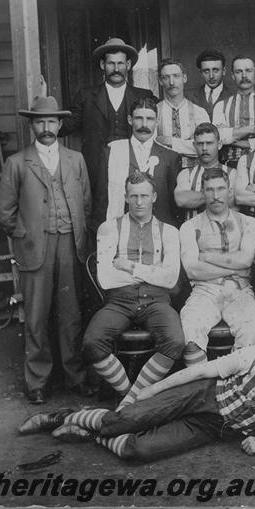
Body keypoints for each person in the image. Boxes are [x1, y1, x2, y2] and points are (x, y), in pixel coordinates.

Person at [22, 318, 255, 462]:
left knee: (136, 450)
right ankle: (63, 417)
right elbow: (200, 370)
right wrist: (155, 389)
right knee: (123, 420)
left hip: (213, 427)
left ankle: (90, 432)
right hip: (201, 393)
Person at [0, 96, 92, 404]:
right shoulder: (17, 162)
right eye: (40, 121)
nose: (46, 127)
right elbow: (5, 212)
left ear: (61, 124)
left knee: (71, 315)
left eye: (52, 121)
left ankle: (75, 376)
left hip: (70, 243)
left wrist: (74, 229)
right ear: (32, 125)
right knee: (36, 317)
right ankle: (37, 381)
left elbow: (86, 203)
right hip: (35, 246)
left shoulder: (75, 159)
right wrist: (24, 236)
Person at [83, 171, 184, 410]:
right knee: (92, 342)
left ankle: (128, 401)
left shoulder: (169, 232)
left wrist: (129, 266)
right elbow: (106, 279)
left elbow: (170, 280)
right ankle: (132, 397)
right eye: (134, 196)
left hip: (157, 300)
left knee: (175, 341)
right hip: (119, 300)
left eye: (144, 196)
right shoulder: (109, 228)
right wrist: (152, 271)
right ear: (126, 197)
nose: (139, 202)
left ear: (154, 197)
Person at [179, 168, 255, 366]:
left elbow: (246, 260)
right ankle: (203, 388)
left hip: (240, 290)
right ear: (202, 191)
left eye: (221, 189)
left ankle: (236, 389)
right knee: (189, 329)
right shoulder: (189, 226)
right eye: (209, 190)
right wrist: (235, 267)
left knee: (252, 331)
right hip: (204, 291)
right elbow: (193, 270)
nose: (216, 196)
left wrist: (207, 257)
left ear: (229, 190)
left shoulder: (248, 222)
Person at [60, 37, 155, 191]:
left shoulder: (143, 96)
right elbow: (64, 127)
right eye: (111, 63)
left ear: (128, 65)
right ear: (102, 65)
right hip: (97, 173)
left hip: (133, 170)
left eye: (120, 63)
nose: (116, 68)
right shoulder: (86, 96)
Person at [96, 96, 182, 227]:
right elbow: (102, 199)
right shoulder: (112, 152)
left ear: (157, 122)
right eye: (139, 118)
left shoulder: (170, 157)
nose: (144, 125)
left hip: (159, 231)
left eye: (150, 119)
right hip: (121, 230)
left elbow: (173, 204)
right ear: (130, 120)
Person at [212, 55, 255, 168]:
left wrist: (235, 139)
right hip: (228, 165)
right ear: (232, 75)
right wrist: (251, 129)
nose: (244, 75)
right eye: (238, 71)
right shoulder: (221, 106)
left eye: (248, 71)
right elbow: (217, 137)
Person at [173, 123, 236, 220]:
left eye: (209, 143)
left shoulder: (232, 173)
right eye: (200, 143)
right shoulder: (186, 174)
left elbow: (233, 202)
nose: (204, 148)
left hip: (223, 231)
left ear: (219, 145)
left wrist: (195, 197)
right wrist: (219, 196)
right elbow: (181, 200)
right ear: (194, 145)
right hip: (194, 232)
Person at [154, 58, 211, 156]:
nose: (171, 82)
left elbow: (205, 147)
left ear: (184, 78)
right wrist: (189, 145)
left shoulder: (199, 112)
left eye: (176, 76)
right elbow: (151, 147)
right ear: (160, 81)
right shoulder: (154, 112)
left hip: (193, 169)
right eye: (166, 77)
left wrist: (170, 142)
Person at [194, 49, 233, 119]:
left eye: (215, 70)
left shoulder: (233, 96)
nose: (211, 76)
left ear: (224, 71)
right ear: (201, 73)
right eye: (206, 71)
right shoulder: (189, 97)